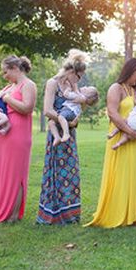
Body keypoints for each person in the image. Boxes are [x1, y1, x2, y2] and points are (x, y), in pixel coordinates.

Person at [86, 58, 136, 228]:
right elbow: (112, 112)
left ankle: (133, 214)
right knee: (121, 174)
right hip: (122, 136)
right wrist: (128, 131)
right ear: (128, 71)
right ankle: (117, 212)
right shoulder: (116, 88)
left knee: (135, 175)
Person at [37, 50, 89, 225]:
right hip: (56, 134)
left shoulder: (72, 87)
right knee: (56, 172)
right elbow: (47, 110)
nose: (79, 80)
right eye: (79, 76)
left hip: (70, 134)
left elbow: (79, 107)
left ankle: (70, 215)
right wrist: (62, 119)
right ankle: (54, 214)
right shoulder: (53, 83)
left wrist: (74, 121)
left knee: (71, 173)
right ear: (72, 71)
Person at [0, 55, 36, 223]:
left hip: (18, 135)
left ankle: (13, 215)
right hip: (2, 136)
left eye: (5, 72)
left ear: (15, 68)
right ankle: (0, 210)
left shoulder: (28, 85)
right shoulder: (8, 87)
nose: (4, 75)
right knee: (2, 172)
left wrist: (7, 98)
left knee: (16, 174)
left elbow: (27, 108)